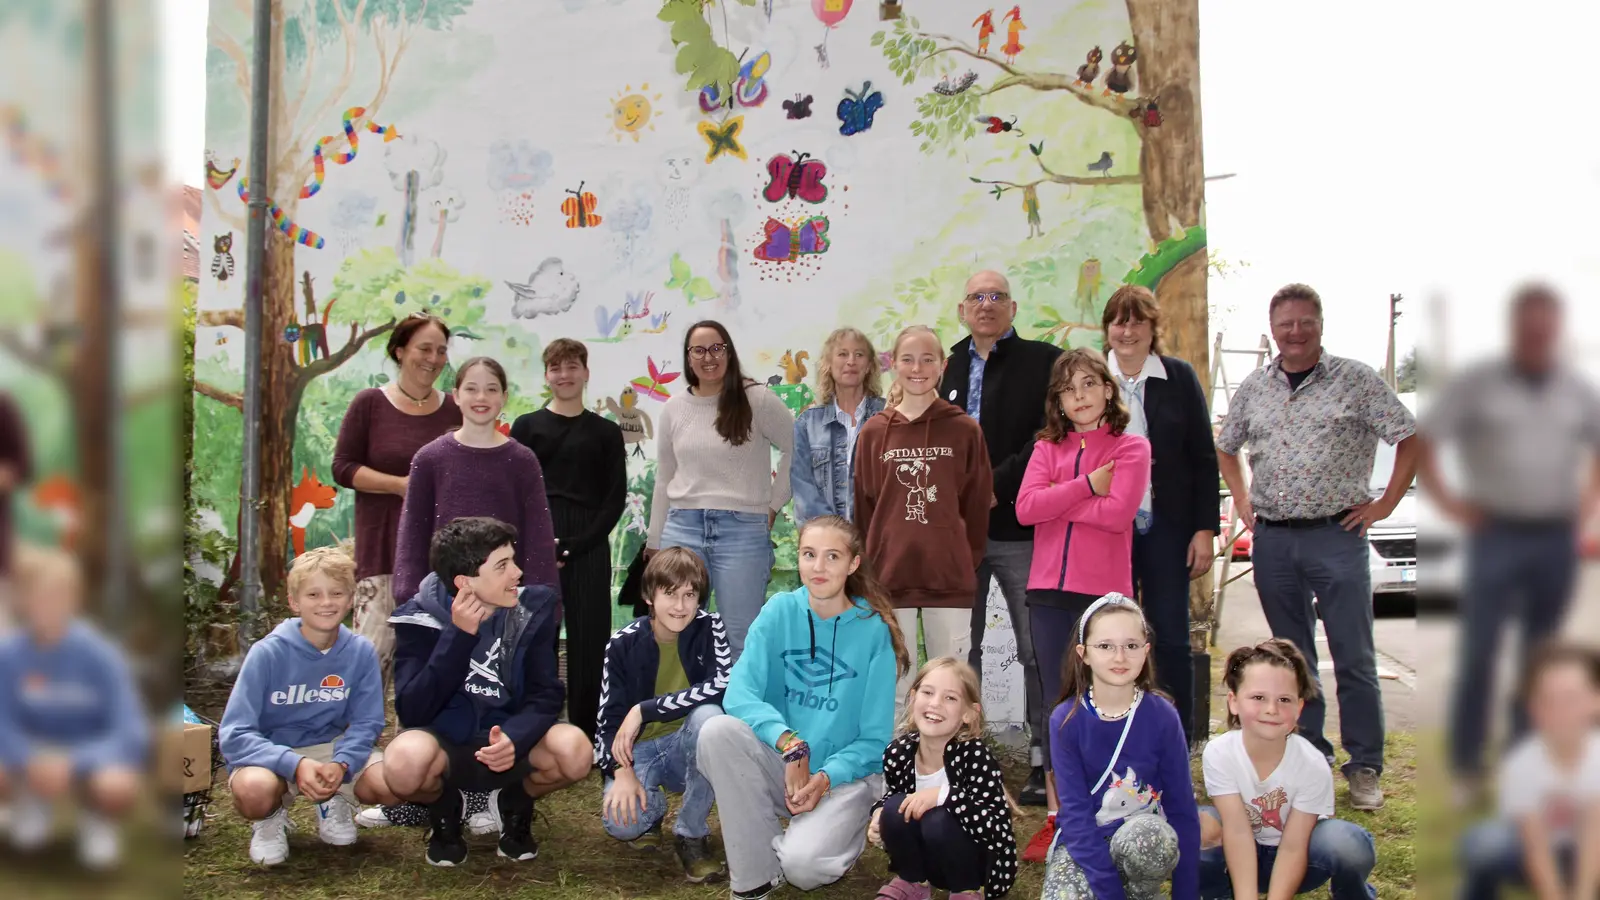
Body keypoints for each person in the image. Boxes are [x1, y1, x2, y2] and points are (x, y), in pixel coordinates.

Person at [1216, 283, 1417, 812]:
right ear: (1273, 327)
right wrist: (1241, 498)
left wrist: (1385, 505)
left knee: (1354, 657)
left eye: (1305, 321)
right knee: (1291, 660)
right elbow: (1226, 445)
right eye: (1286, 324)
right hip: (1275, 540)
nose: (1296, 332)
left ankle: (1365, 765)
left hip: (1338, 535)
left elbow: (1411, 437)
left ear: (1320, 324)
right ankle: (1309, 756)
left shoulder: (1354, 379)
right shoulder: (1255, 387)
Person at [1417, 284, 1600, 801]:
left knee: (1540, 658)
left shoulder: (1575, 388)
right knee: (1479, 653)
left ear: (1556, 330)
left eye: (1547, 326)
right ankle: (1467, 768)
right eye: (1529, 325)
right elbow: (1426, 441)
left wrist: (1587, 506)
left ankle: (1526, 765)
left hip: (1555, 538)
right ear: (1515, 327)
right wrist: (1452, 505)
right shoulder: (1479, 383)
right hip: (1495, 535)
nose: (1538, 334)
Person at [378, 356, 560, 833]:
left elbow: (538, 535)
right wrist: (409, 599)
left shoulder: (520, 459)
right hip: (446, 601)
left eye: (492, 389)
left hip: (505, 598)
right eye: (471, 388)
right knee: (434, 698)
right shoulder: (431, 458)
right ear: (455, 395)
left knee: (494, 695)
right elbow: (413, 530)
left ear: (504, 397)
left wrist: (543, 600)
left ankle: (489, 792)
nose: (482, 398)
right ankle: (425, 797)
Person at [698, 515, 911, 900]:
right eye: (809, 554)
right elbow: (739, 694)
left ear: (853, 564)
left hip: (844, 777)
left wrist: (826, 777)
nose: (819, 567)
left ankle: (839, 829)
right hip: (785, 764)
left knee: (804, 868)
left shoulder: (873, 631)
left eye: (832, 557)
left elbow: (874, 740)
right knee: (716, 730)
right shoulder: (779, 611)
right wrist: (790, 742)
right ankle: (755, 877)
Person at [383, 517, 592, 867]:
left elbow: (546, 694)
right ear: (465, 581)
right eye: (503, 566)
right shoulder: (417, 619)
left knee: (576, 752)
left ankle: (513, 802)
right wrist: (458, 636)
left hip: (510, 747)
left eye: (513, 560)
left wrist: (516, 737)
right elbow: (413, 710)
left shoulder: (532, 610)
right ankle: (445, 809)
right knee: (402, 766)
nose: (518, 573)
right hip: (448, 748)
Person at [1015, 346, 1151, 861]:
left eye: (1089, 384)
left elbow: (1119, 515)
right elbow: (1028, 509)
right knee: (1060, 705)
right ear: (1058, 400)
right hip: (1049, 592)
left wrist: (1063, 499)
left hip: (1105, 598)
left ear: (1108, 389)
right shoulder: (1045, 448)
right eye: (1069, 388)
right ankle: (1059, 815)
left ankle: (1112, 806)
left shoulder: (1131, 448)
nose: (1080, 396)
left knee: (1109, 698)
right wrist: (1088, 486)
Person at [939, 270, 1061, 805]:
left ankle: (1045, 762)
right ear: (963, 309)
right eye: (976, 298)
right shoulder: (946, 363)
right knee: (961, 652)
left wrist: (996, 486)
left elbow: (1049, 435)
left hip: (1018, 528)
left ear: (1012, 308)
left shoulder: (1044, 361)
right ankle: (963, 758)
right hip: (957, 534)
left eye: (996, 297)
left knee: (1036, 650)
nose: (986, 305)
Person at [218, 546, 393, 866]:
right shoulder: (266, 653)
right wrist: (294, 765)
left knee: (392, 780)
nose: (326, 603)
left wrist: (341, 764)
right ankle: (269, 818)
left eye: (336, 592)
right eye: (313, 594)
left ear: (351, 598)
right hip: (272, 753)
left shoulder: (360, 651)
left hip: (331, 750)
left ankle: (335, 800)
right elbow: (234, 733)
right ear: (294, 601)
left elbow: (368, 722)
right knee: (253, 791)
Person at [1101, 285, 1219, 747]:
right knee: (1112, 634)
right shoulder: (1092, 378)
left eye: (1137, 322)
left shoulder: (1179, 377)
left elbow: (1203, 458)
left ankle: (1180, 736)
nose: (1127, 331)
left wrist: (1205, 529)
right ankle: (1116, 732)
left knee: (1169, 634)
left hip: (1167, 529)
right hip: (1109, 528)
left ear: (1153, 329)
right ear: (1107, 329)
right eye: (1118, 321)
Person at [855, 325, 993, 708]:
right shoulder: (873, 433)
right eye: (908, 359)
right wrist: (874, 569)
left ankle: (947, 766)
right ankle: (895, 766)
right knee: (897, 688)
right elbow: (865, 510)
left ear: (943, 365)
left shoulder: (965, 430)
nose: (918, 368)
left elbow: (977, 506)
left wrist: (963, 560)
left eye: (928, 359)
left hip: (948, 580)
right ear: (893, 365)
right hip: (890, 580)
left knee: (948, 690)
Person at [646, 320, 795, 661]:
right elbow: (665, 476)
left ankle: (738, 715)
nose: (708, 357)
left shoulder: (756, 399)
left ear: (729, 351)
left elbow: (796, 447)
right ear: (688, 357)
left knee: (741, 638)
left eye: (717, 348)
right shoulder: (674, 409)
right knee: (677, 633)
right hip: (682, 528)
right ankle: (683, 713)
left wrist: (773, 504)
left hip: (742, 530)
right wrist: (655, 541)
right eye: (698, 350)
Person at [332, 312, 461, 690]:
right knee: (372, 658)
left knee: (429, 669)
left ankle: (418, 747)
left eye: (440, 351)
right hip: (382, 553)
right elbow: (342, 467)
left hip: (439, 562)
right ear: (400, 351)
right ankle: (356, 747)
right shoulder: (370, 404)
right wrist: (401, 486)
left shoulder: (456, 409)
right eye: (424, 348)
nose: (433, 359)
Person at [1041, 592, 1199, 900]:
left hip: (1141, 837)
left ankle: (1143, 892)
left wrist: (1186, 894)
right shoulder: (1065, 719)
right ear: (1083, 653)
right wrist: (1109, 892)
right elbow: (1075, 816)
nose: (1120, 657)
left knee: (1150, 836)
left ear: (1146, 651)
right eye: (1105, 646)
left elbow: (1183, 809)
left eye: (1131, 646)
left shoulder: (1163, 716)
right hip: (1086, 844)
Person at [0, 544, 147, 870]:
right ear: (22, 601)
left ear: (75, 599)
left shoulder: (101, 654)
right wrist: (29, 759)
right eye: (40, 596)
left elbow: (129, 730)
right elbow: (2, 722)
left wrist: (73, 762)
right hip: (32, 755)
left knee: (117, 784)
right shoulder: (8, 655)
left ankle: (97, 818)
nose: (50, 606)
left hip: (89, 756)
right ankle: (28, 803)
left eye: (60, 596)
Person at [510, 338, 627, 743]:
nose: (564, 375)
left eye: (572, 366)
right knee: (535, 637)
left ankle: (584, 732)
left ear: (586, 372)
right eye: (556, 368)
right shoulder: (525, 427)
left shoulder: (607, 432)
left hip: (590, 543)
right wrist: (540, 544)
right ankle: (532, 730)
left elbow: (614, 500)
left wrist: (576, 545)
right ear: (546, 375)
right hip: (536, 540)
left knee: (589, 640)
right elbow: (518, 493)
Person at [1199, 639, 1377, 900]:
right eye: (1258, 697)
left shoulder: (1312, 763)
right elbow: (1236, 831)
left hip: (1303, 858)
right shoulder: (1218, 753)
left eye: (1284, 699)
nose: (1271, 709)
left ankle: (1351, 894)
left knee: (1347, 843)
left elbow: (1294, 846)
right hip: (1241, 855)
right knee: (1196, 825)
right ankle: (1217, 894)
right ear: (1233, 702)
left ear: (1299, 707)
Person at [594, 546, 730, 882]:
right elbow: (606, 719)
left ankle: (691, 833)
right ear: (648, 595)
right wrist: (619, 769)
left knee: (711, 718)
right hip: (640, 750)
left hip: (688, 747)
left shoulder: (711, 628)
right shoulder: (621, 643)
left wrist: (644, 710)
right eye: (669, 593)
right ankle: (651, 810)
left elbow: (722, 686)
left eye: (690, 594)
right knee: (622, 824)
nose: (681, 606)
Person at [1456, 643, 1600, 900]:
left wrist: (1583, 893)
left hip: (1590, 847)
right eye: (1548, 701)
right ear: (1533, 707)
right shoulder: (1522, 764)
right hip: (1531, 848)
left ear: (1595, 700)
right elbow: (1535, 844)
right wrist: (1554, 894)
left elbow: (1593, 832)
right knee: (1483, 844)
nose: (1561, 711)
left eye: (1572, 699)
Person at [869, 656, 1019, 900]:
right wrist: (878, 814)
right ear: (913, 697)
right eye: (928, 692)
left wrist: (944, 796)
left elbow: (995, 829)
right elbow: (891, 796)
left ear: (969, 714)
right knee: (894, 806)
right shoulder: (898, 752)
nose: (935, 704)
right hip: (930, 860)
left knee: (939, 819)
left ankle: (966, 891)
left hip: (976, 863)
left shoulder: (975, 756)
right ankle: (913, 881)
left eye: (950, 698)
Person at [791, 327, 886, 524]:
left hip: (879, 544)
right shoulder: (807, 425)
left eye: (859, 354)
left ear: (869, 365)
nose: (851, 361)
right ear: (828, 364)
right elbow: (804, 493)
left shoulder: (890, 417)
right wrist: (837, 538)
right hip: (828, 546)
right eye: (842, 354)